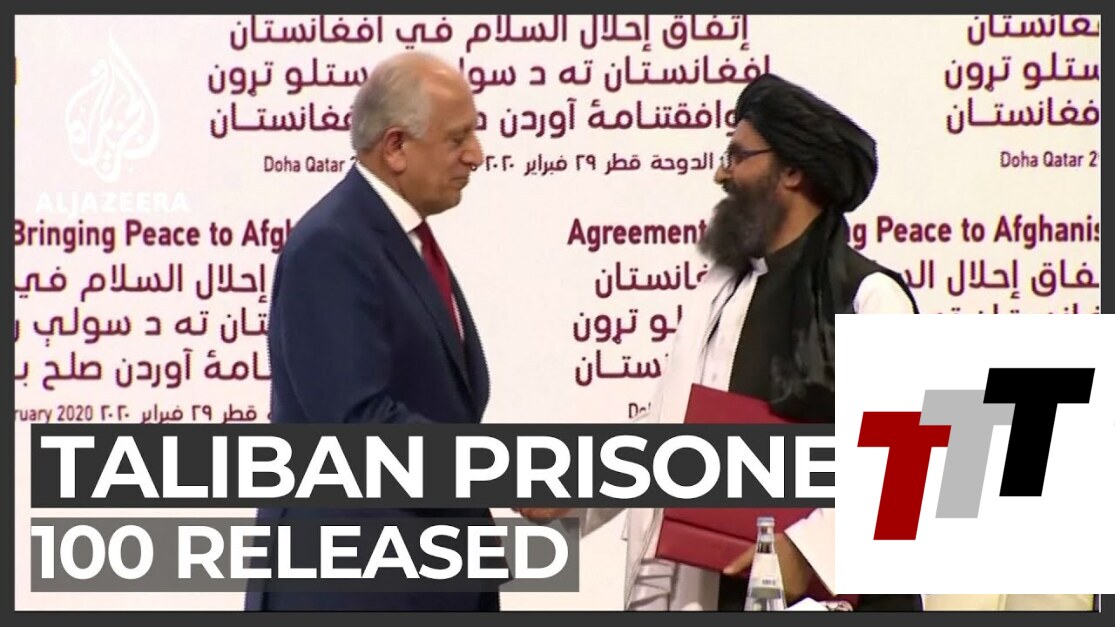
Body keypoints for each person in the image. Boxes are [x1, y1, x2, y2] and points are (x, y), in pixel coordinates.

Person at [518, 74, 922, 611]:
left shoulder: (870, 297)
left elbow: (907, 471)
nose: (721, 173)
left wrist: (807, 552)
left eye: (738, 156)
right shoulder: (721, 292)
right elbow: (671, 433)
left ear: (792, 171)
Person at [245, 51, 495, 612]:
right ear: (396, 146)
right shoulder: (331, 245)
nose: (476, 155)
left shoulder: (397, 239)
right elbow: (358, 426)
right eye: (458, 139)